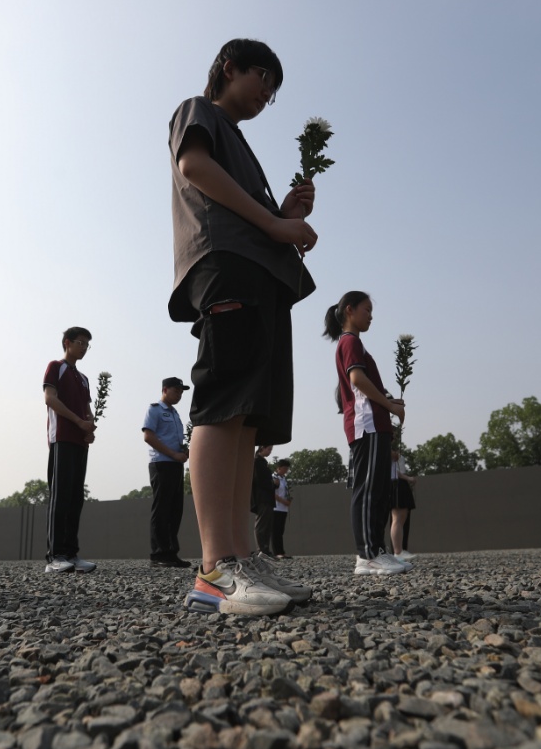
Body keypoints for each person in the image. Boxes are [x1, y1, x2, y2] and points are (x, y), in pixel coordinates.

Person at [169, 38, 317, 616]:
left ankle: (242, 557)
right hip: (225, 264)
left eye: (273, 91)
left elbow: (246, 210)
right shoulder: (198, 111)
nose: (266, 94)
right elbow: (195, 167)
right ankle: (214, 569)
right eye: (262, 78)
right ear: (228, 68)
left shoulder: (240, 140)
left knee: (246, 419)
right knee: (223, 402)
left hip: (256, 271)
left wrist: (284, 214)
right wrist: (275, 226)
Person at [324, 291, 408, 577]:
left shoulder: (355, 343)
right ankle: (367, 554)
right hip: (366, 424)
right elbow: (357, 379)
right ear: (350, 310)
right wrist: (390, 405)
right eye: (367, 309)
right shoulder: (349, 342)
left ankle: (377, 550)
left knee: (380, 491)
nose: (371, 316)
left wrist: (387, 405)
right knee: (368, 489)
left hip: (376, 425)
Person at [42, 327, 98, 574]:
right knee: (60, 496)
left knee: (76, 497)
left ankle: (72, 554)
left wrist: (89, 427)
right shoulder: (56, 367)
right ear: (67, 342)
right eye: (80, 342)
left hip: (80, 442)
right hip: (62, 438)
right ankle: (55, 556)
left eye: (87, 344)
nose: (84, 347)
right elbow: (50, 399)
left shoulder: (83, 378)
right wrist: (77, 421)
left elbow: (87, 409)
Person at [142, 377, 192, 568]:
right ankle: (159, 554)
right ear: (165, 390)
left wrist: (184, 453)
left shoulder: (175, 413)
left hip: (175, 464)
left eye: (181, 392)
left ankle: (171, 553)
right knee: (162, 509)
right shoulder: (155, 409)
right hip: (161, 464)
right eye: (176, 390)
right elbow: (148, 436)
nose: (179, 394)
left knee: (175, 509)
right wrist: (172, 454)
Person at [389, 450, 417, 564]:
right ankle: (398, 551)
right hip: (397, 483)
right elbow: (394, 470)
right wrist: (408, 478)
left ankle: (400, 550)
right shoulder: (386, 450)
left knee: (401, 518)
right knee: (398, 518)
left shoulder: (391, 450)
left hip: (399, 483)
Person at [251, 445, 276, 556]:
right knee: (261, 524)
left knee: (267, 524)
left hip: (267, 497)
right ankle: (261, 550)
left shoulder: (262, 462)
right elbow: (259, 480)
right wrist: (272, 483)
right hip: (262, 497)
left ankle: (265, 549)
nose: (270, 451)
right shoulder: (257, 462)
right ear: (262, 448)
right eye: (269, 449)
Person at [272, 458, 293, 559]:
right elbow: (272, 493)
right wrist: (283, 501)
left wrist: (288, 500)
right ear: (278, 468)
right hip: (276, 507)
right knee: (275, 531)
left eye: (287, 468)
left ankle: (281, 551)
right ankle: (277, 552)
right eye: (284, 468)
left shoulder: (284, 479)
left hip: (283, 508)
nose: (286, 470)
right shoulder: (273, 477)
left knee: (280, 531)